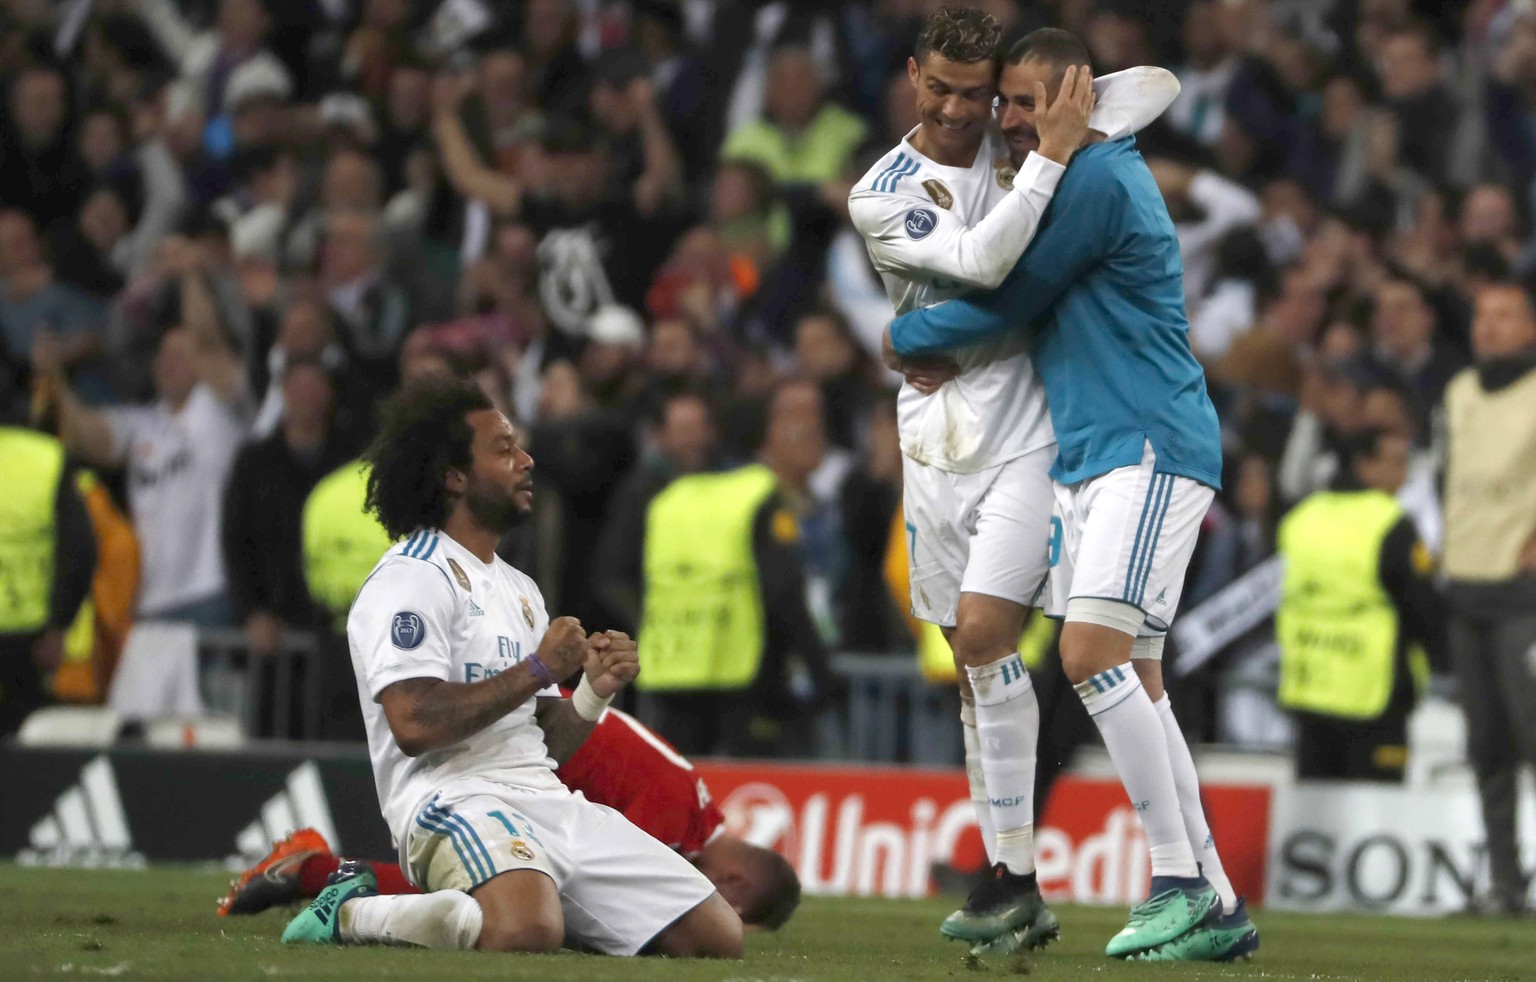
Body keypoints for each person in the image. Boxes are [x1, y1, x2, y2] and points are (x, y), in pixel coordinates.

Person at [888, 28, 1255, 962]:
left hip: (1146, 444)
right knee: (1135, 676)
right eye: (1002, 102)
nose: (1009, 119)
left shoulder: (1093, 179)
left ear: (1075, 101)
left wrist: (914, 336)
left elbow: (1015, 293)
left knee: (1091, 654)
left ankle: (1173, 878)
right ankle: (1213, 898)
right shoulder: (1076, 177)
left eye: (1025, 101)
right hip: (1103, 453)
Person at [846, 5, 1177, 956]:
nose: (958, 110)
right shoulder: (884, 191)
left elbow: (1153, 90)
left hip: (1033, 431)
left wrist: (1064, 120)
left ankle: (1098, 870)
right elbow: (981, 266)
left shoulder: (1020, 135)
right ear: (913, 75)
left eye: (975, 92)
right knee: (973, 665)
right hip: (936, 441)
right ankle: (1013, 875)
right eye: (940, 88)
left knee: (995, 633)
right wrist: (1053, 152)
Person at [279, 375, 742, 958]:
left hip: (543, 798)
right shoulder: (412, 577)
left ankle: (494, 910)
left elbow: (533, 736)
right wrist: (538, 667)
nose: (526, 460)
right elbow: (414, 722)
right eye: (503, 449)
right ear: (454, 477)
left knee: (715, 938)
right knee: (526, 933)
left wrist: (591, 695)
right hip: (451, 798)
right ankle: (352, 911)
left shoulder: (518, 587)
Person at [220, 703, 801, 930]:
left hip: (521, 755)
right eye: (734, 916)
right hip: (508, 754)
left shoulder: (690, 807)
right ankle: (315, 874)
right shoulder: (673, 819)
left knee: (507, 889)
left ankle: (316, 872)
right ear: (735, 889)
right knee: (515, 895)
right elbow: (606, 892)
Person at [1441, 281, 1536, 916]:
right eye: (1482, 314)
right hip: (1465, 587)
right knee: (1488, 750)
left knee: (1532, 736)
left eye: (1505, 316)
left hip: (1521, 592)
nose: (1490, 326)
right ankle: (1505, 885)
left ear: (1529, 327)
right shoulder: (1458, 393)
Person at [1276, 428, 1445, 782]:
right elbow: (1424, 611)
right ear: (1365, 465)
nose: (1404, 475)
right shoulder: (1390, 523)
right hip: (1374, 696)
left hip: (1308, 687)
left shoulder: (1301, 518)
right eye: (1396, 463)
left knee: (1315, 813)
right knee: (1376, 816)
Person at [0, 420, 96, 734]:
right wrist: (59, 624)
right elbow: (80, 550)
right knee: (31, 756)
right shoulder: (47, 458)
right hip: (34, 638)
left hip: (33, 642)